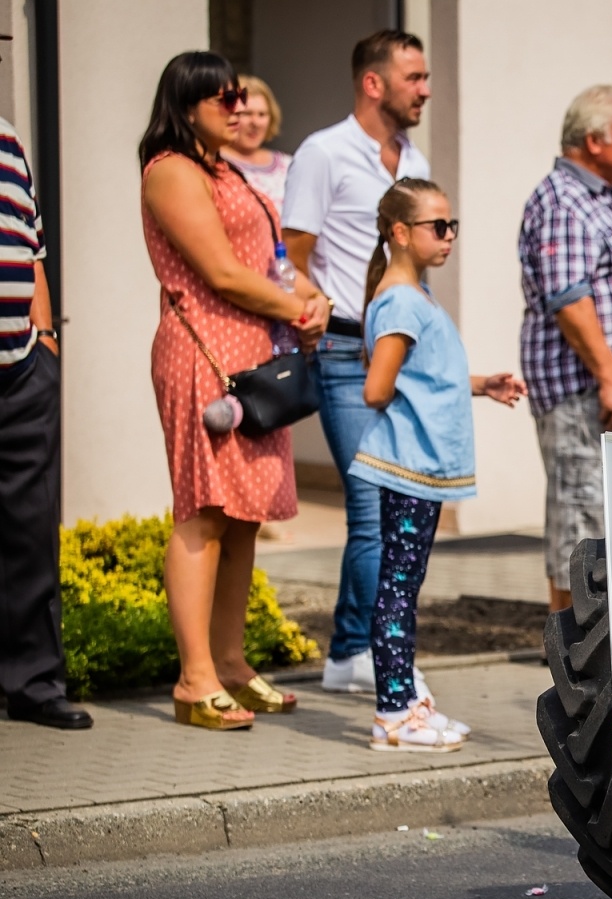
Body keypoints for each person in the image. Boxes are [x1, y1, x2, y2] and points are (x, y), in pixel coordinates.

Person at [139, 52, 330, 730]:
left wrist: (307, 299)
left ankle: (231, 662)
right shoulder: (173, 170)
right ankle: (194, 679)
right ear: (188, 105)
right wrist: (290, 308)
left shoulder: (228, 170)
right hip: (205, 353)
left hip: (252, 352)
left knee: (245, 513)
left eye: (240, 96)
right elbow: (219, 272)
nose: (238, 108)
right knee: (204, 509)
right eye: (223, 98)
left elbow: (273, 263)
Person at [281, 30, 431, 695]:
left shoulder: (413, 156)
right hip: (343, 350)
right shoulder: (324, 152)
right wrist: (310, 308)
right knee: (372, 506)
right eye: (414, 78)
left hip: (400, 349)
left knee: (390, 503)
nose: (425, 89)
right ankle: (378, 652)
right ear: (374, 83)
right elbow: (293, 252)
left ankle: (346, 651)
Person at [356, 178, 525, 752]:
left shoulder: (415, 295)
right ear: (400, 233)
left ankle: (404, 703)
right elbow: (378, 388)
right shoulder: (401, 300)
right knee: (398, 590)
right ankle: (393, 714)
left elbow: (425, 376)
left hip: (420, 468)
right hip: (407, 465)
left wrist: (480, 385)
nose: (449, 236)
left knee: (404, 585)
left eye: (452, 225)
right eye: (438, 226)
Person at [519, 85, 612, 612]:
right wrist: (611, 375)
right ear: (592, 140)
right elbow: (570, 299)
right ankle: (574, 664)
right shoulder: (565, 201)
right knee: (581, 523)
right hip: (587, 393)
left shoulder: (600, 195)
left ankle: (605, 655)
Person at [0, 102, 87, 730]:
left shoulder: (7, 139)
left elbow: (32, 249)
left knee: (31, 535)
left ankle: (33, 685)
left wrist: (46, 341)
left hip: (23, 368)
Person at [220, 75, 290, 211]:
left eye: (262, 114)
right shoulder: (214, 163)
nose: (255, 123)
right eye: (246, 114)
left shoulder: (288, 164)